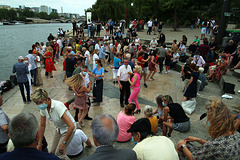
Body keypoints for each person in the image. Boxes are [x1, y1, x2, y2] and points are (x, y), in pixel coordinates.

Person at [32, 88, 76, 160]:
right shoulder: (43, 109)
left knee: (59, 152)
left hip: (68, 129)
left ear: (47, 99)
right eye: (37, 103)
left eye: (40, 102)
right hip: (59, 128)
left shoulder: (58, 106)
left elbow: (71, 126)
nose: (39, 105)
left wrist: (64, 143)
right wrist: (39, 143)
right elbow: (42, 125)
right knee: (52, 152)